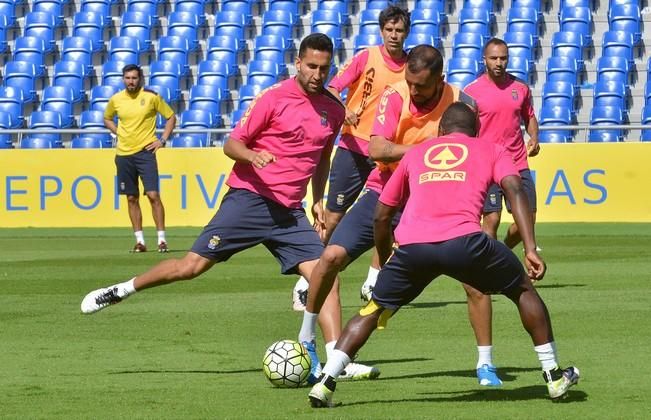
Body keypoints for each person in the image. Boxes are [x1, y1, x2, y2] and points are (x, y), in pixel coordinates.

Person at [82, 33, 377, 383]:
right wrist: (253, 156)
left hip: (289, 213)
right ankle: (121, 290)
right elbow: (232, 143)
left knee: (328, 276)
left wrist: (318, 200)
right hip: (249, 200)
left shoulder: (333, 108)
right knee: (191, 267)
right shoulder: (273, 98)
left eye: (324, 68)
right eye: (311, 66)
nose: (317, 74)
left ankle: (333, 362)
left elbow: (322, 159)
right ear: (298, 63)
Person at [308, 102, 580, 408]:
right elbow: (515, 190)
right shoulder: (491, 149)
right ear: (476, 130)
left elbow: (382, 216)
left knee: (372, 311)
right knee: (521, 289)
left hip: (413, 248)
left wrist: (385, 259)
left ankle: (325, 383)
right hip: (465, 242)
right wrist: (530, 247)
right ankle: (554, 377)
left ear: (440, 130)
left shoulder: (416, 154)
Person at [298, 45, 503, 387]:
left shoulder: (463, 103)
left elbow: (475, 156)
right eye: (409, 81)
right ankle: (306, 340)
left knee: (475, 282)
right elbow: (377, 149)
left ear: (440, 79)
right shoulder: (395, 95)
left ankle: (486, 365)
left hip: (436, 195)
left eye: (421, 85)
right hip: (385, 188)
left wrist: (486, 210)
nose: (414, 90)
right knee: (330, 256)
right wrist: (426, 151)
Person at [292, 5, 411, 311]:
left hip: (387, 153)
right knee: (332, 218)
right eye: (389, 30)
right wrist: (344, 110)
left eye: (399, 30)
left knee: (386, 219)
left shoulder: (411, 66)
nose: (394, 35)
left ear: (406, 33)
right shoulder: (366, 57)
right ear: (381, 31)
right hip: (354, 148)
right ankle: (307, 279)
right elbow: (332, 87)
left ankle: (374, 280)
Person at [463, 38, 541, 250]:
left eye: (503, 58)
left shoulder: (520, 88)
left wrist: (534, 137)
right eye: (494, 58)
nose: (499, 62)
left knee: (528, 219)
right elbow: (462, 128)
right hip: (486, 165)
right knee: (491, 220)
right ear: (484, 60)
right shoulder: (470, 92)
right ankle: (491, 267)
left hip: (517, 163)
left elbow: (530, 117)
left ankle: (504, 250)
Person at [104, 64, 177, 253]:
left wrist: (162, 140)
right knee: (131, 198)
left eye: (134, 78)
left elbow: (170, 117)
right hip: (123, 154)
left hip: (145, 153)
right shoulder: (116, 99)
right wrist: (118, 131)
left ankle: (162, 239)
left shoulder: (151, 97)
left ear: (140, 79)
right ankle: (140, 241)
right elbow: (107, 118)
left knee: (153, 195)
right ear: (123, 79)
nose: (131, 81)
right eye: (127, 78)